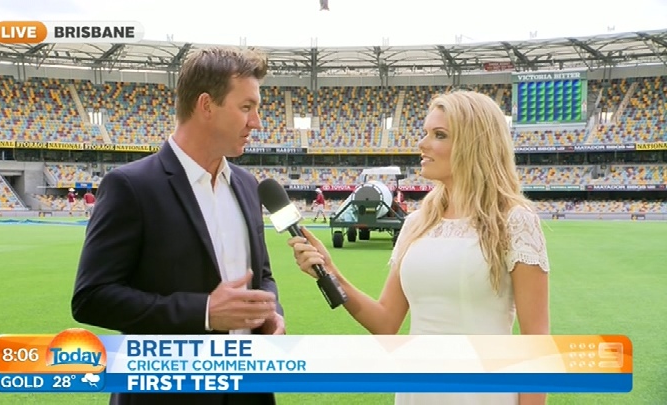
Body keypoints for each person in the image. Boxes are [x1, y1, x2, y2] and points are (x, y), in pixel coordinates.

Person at [288, 91, 550, 405]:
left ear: (474, 144)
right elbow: (385, 321)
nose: (422, 144)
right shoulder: (416, 223)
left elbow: (536, 340)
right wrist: (330, 271)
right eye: (425, 132)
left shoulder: (515, 221)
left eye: (439, 135)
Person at [72, 46, 285, 405]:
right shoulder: (131, 186)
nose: (257, 122)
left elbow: (262, 276)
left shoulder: (248, 185)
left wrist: (271, 313)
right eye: (246, 107)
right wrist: (204, 312)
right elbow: (91, 298)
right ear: (206, 105)